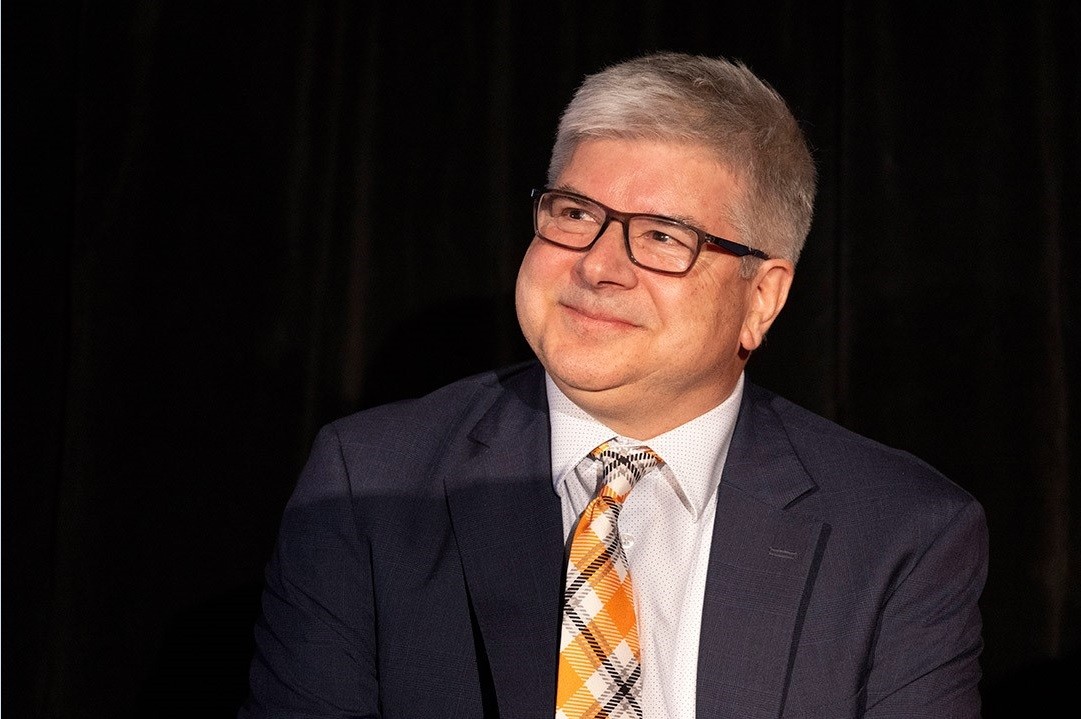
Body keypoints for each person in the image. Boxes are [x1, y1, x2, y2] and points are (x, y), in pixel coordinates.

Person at [239, 52, 987, 718]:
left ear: (761, 298)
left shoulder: (899, 532)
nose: (597, 265)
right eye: (574, 213)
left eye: (662, 236)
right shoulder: (367, 482)